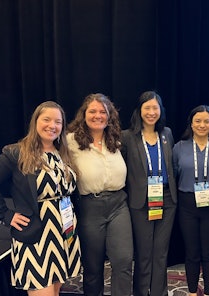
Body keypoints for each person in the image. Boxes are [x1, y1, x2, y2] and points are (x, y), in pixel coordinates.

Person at [0, 101, 81, 296]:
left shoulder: (62, 153)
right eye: (47, 120)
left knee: (56, 291)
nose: (52, 125)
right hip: (36, 237)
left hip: (64, 234)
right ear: (35, 121)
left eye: (58, 122)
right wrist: (6, 215)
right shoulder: (17, 152)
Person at [66, 93, 133, 296]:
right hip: (90, 207)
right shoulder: (70, 141)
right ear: (83, 115)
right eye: (92, 111)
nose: (98, 115)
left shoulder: (116, 140)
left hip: (118, 205)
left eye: (103, 112)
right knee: (93, 268)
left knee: (123, 261)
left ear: (109, 115)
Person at [121, 90, 177, 296]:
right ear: (139, 111)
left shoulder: (167, 134)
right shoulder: (127, 137)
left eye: (156, 108)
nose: (152, 112)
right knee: (144, 253)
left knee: (161, 252)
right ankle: (141, 292)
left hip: (167, 199)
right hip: (140, 201)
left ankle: (159, 292)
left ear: (161, 110)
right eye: (147, 108)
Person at [172, 105, 209, 296]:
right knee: (191, 252)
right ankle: (193, 292)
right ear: (191, 124)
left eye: (206, 121)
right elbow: (174, 173)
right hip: (187, 203)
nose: (202, 125)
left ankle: (208, 292)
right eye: (198, 121)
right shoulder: (179, 147)